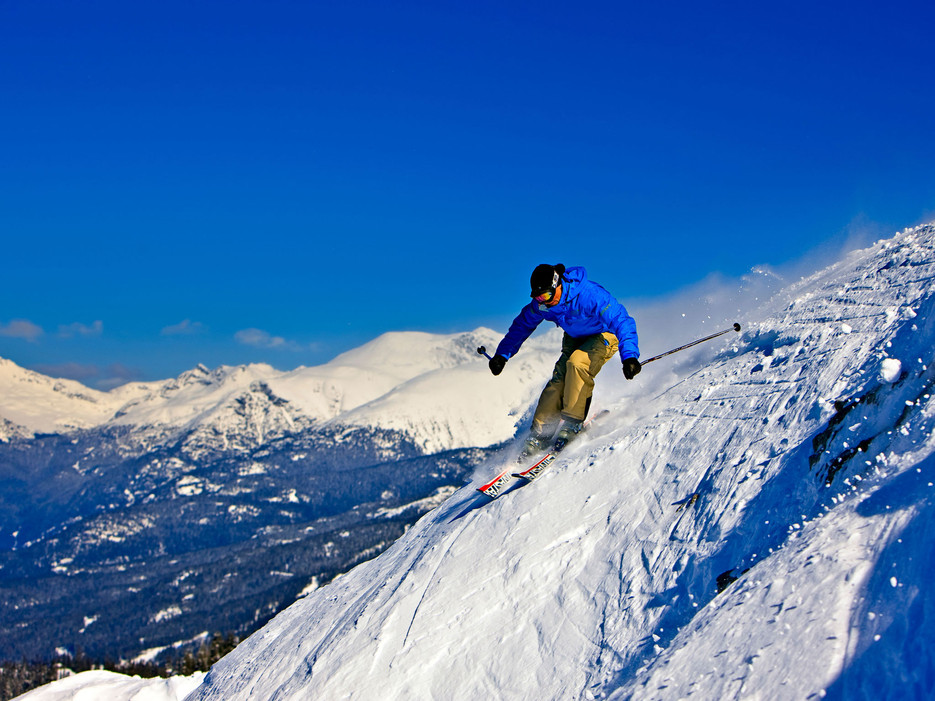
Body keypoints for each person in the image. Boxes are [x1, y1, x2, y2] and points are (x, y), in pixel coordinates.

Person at [488, 263, 641, 454]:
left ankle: (573, 423)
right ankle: (541, 433)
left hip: (604, 334)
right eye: (537, 297)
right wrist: (502, 355)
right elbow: (522, 326)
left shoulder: (589, 295)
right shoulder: (543, 304)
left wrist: (629, 356)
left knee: (577, 363)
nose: (541, 301)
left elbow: (621, 320)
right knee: (559, 378)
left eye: (544, 295)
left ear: (556, 285)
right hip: (575, 336)